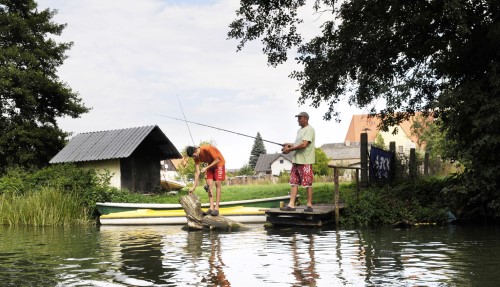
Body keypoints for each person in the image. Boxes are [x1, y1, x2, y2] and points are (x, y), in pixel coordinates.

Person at [280, 112, 316, 212]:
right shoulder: (299, 131)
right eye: (298, 118)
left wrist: (289, 150)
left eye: (300, 118)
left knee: (307, 183)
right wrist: (289, 145)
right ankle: (291, 205)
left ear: (306, 119)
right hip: (296, 161)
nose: (298, 120)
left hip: (305, 161)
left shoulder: (310, 129)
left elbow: (304, 144)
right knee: (294, 183)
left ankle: (309, 205)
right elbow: (297, 144)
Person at [186, 145, 226, 216]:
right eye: (192, 157)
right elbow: (197, 172)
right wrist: (194, 187)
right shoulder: (196, 157)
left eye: (193, 155)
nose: (194, 157)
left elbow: (217, 159)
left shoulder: (207, 148)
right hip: (210, 165)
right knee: (209, 184)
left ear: (195, 150)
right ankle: (211, 208)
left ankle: (216, 208)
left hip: (219, 164)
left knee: (217, 183)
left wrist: (206, 167)